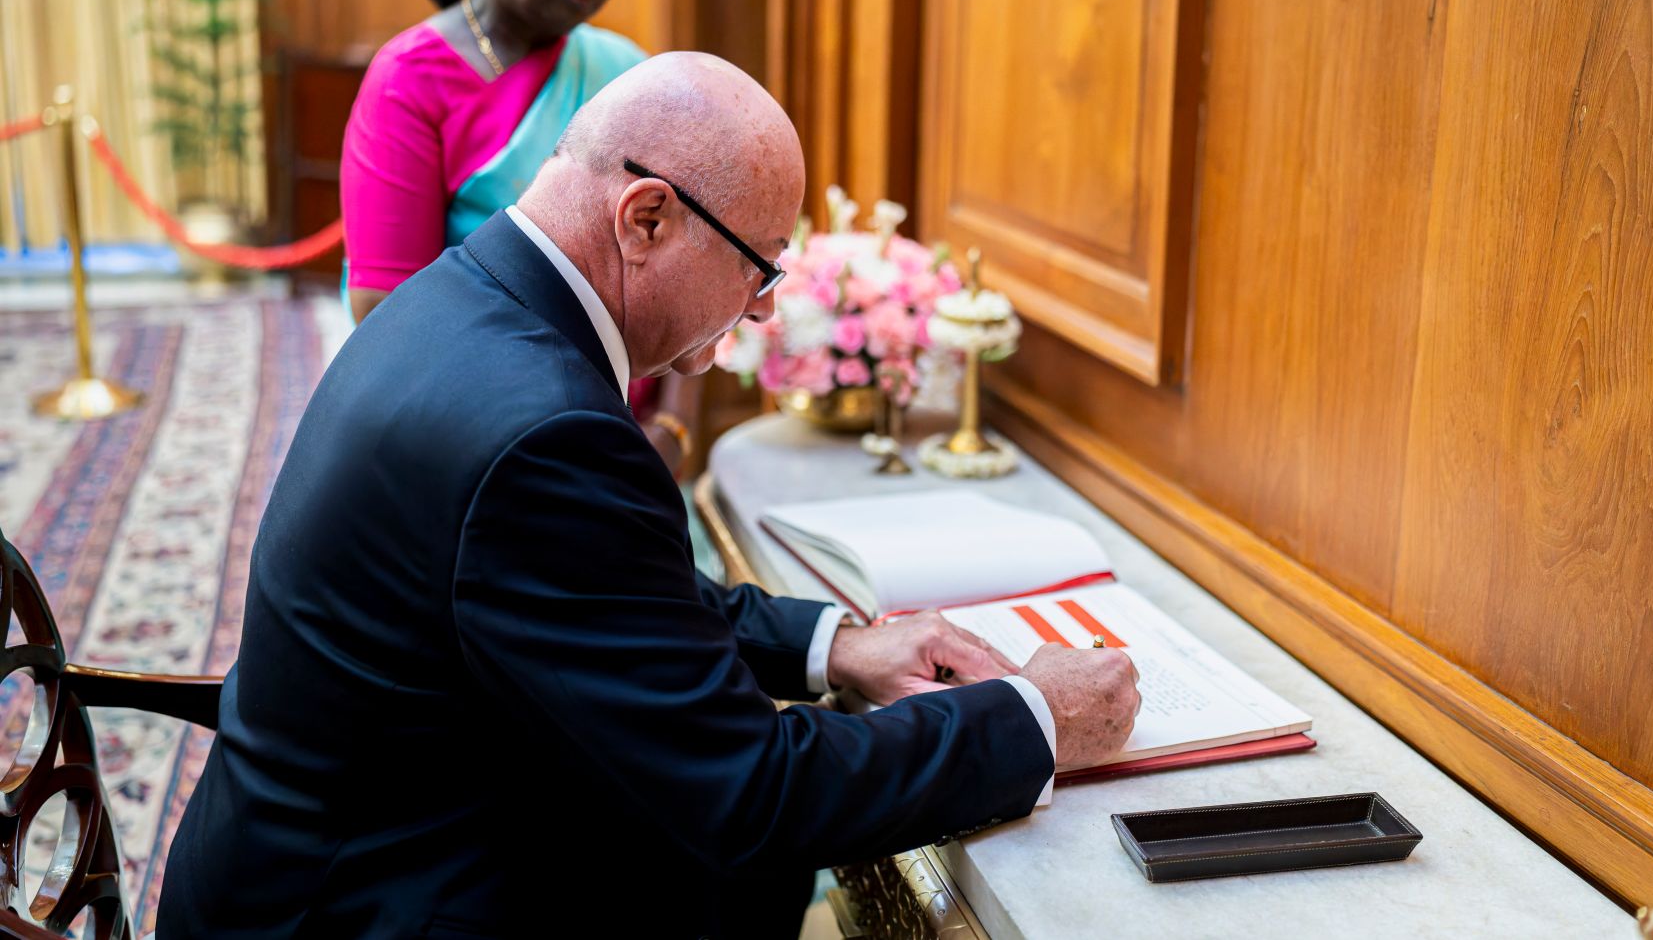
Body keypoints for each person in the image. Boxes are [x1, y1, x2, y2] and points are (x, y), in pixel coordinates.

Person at [157, 53, 1139, 939]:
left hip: (316, 845)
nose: (758, 308)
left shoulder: (461, 301)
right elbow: (749, 791)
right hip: (357, 904)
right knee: (734, 869)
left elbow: (599, 592)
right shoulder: (546, 429)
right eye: (757, 266)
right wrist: (1029, 716)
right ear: (647, 218)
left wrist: (832, 644)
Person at [340, 0, 696, 471]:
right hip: (485, 446)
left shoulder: (627, 70)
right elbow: (389, 315)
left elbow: (698, 269)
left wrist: (671, 429)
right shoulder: (410, 82)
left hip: (634, 436)